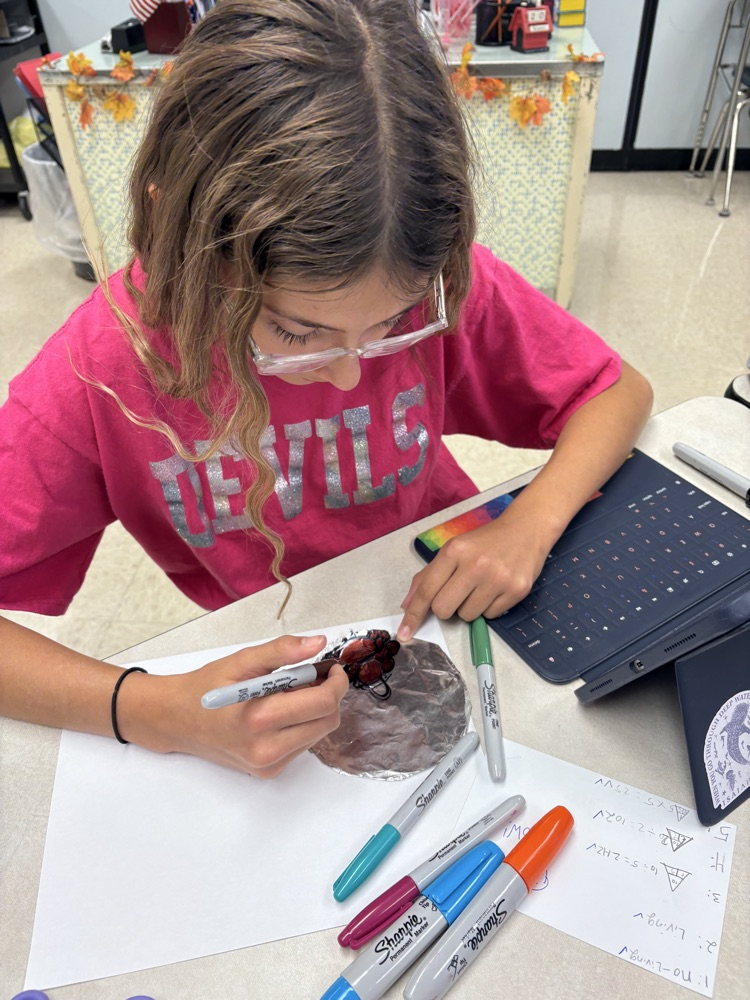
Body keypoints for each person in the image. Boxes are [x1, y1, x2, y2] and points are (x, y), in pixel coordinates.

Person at [0, 0, 652, 778]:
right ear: (179, 235)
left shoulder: (426, 277)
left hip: (442, 612)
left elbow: (619, 392)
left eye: (392, 324)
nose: (352, 370)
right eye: (299, 334)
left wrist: (531, 524)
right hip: (277, 655)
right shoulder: (107, 366)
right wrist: (149, 708)